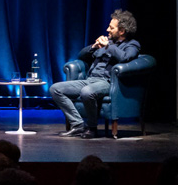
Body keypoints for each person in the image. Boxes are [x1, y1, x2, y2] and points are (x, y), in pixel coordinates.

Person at [49, 9, 140, 138]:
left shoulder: (131, 45)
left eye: (111, 27)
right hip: (90, 80)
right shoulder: (105, 43)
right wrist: (94, 47)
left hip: (108, 82)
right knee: (55, 89)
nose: (107, 30)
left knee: (87, 91)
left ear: (122, 31)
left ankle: (92, 128)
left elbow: (125, 58)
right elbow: (81, 56)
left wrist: (109, 46)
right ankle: (78, 124)